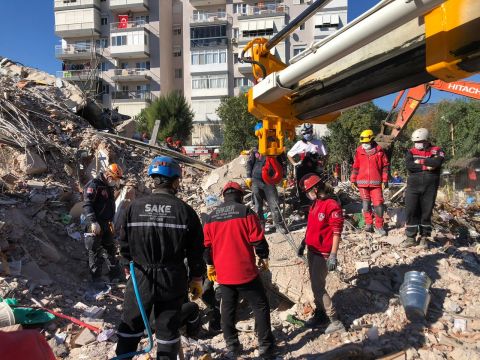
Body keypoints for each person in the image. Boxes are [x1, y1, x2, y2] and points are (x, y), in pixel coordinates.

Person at [115, 156, 205, 360]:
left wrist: (127, 266)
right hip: (172, 278)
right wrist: (197, 278)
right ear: (174, 181)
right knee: (167, 331)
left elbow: (124, 244)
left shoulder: (133, 208)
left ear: (153, 179)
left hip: (140, 276)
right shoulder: (185, 211)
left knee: (130, 326)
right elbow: (195, 251)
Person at [203, 182, 277, 359]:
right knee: (260, 306)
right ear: (240, 195)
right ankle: (265, 347)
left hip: (224, 275)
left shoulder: (211, 217)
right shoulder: (245, 212)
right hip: (246, 273)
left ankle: (232, 346)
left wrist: (210, 264)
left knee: (227, 310)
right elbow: (258, 240)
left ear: (224, 196)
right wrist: (263, 256)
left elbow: (206, 247)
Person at [297, 173, 346, 334]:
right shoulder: (316, 203)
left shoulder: (331, 205)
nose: (308, 194)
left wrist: (333, 255)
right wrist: (304, 242)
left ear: (316, 189)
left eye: (309, 191)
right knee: (315, 285)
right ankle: (321, 313)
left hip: (323, 252)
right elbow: (312, 226)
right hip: (313, 249)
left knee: (318, 287)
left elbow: (336, 232)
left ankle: (334, 319)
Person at [82, 163, 124, 289]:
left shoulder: (108, 186)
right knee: (94, 251)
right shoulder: (94, 185)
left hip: (107, 223)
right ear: (108, 176)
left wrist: (110, 220)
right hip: (95, 223)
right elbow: (87, 204)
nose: (116, 183)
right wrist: (93, 221)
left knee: (110, 248)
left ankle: (115, 275)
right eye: (115, 179)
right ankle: (96, 280)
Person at [404, 128, 444, 248]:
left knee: (426, 212)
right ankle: (410, 237)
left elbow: (437, 163)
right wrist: (427, 166)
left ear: (426, 140)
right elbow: (409, 166)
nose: (417, 144)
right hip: (413, 186)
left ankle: (424, 237)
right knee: (411, 210)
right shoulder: (410, 151)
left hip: (430, 187)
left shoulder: (437, 150)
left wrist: (419, 162)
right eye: (415, 142)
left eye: (420, 141)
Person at [246, 127, 287, 233]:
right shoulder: (255, 149)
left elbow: (283, 162)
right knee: (258, 206)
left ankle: (278, 225)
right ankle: (261, 227)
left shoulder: (277, 148)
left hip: (270, 181)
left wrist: (284, 177)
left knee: (275, 204)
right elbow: (249, 163)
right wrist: (248, 176)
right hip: (256, 180)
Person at [350, 129, 389, 236]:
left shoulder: (380, 151)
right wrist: (353, 179)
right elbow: (355, 167)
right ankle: (368, 224)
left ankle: (379, 226)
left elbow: (385, 166)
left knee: (379, 205)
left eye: (366, 143)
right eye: (363, 143)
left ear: (372, 140)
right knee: (366, 205)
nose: (364, 145)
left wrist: (385, 180)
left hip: (376, 184)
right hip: (362, 183)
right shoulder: (359, 151)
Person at [287, 123, 328, 204]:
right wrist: (294, 164)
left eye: (309, 132)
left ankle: (319, 203)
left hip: (314, 168)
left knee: (318, 185)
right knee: (303, 187)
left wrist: (323, 165)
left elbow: (325, 155)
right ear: (302, 133)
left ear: (312, 131)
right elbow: (289, 154)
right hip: (302, 169)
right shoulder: (299, 143)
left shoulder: (318, 142)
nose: (307, 134)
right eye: (305, 133)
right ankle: (305, 205)